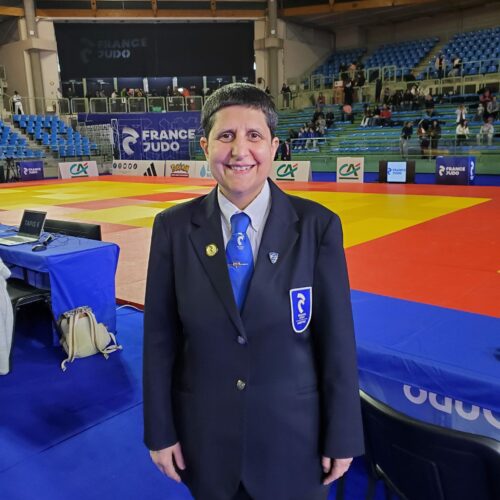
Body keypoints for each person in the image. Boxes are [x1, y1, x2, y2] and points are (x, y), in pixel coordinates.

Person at [143, 83, 364, 500]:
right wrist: (159, 430)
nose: (239, 150)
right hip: (205, 439)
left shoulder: (317, 227)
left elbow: (337, 340)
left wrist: (344, 434)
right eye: (226, 135)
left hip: (296, 441)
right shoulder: (173, 228)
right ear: (205, 146)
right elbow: (159, 338)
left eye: (254, 135)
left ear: (274, 147)